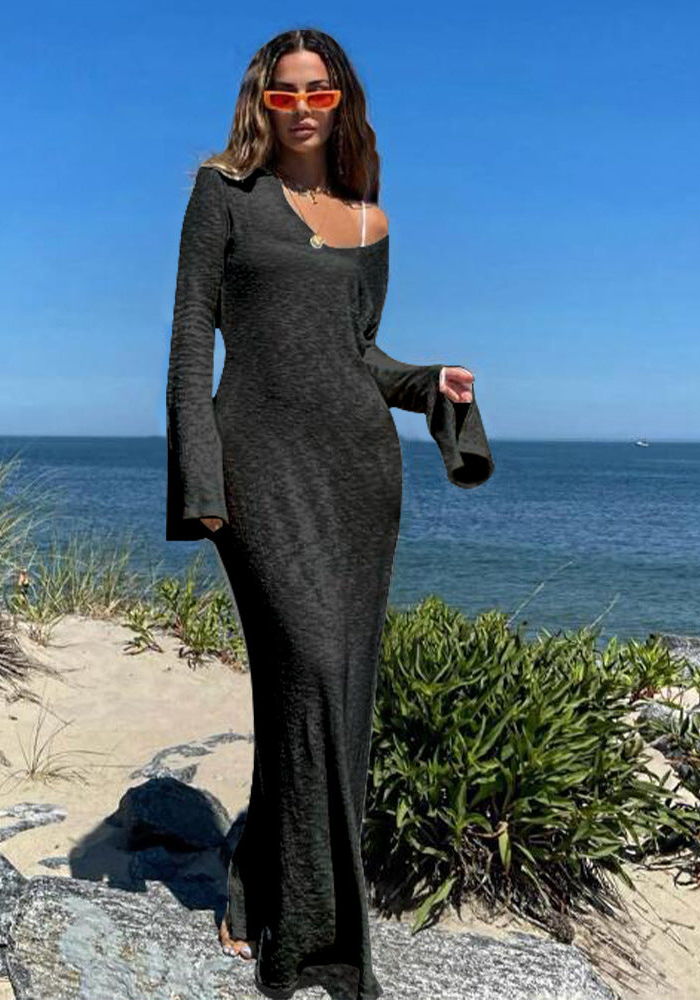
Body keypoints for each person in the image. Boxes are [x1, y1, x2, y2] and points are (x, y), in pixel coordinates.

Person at [165, 27, 494, 1000]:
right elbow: (189, 343)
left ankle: (258, 882)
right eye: (285, 92)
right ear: (261, 102)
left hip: (358, 475)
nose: (303, 106)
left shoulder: (367, 221)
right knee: (308, 669)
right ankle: (311, 941)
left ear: (342, 100)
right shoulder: (221, 194)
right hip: (258, 468)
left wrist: (430, 382)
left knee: (334, 694)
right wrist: (200, 484)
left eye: (320, 91)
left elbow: (359, 356)